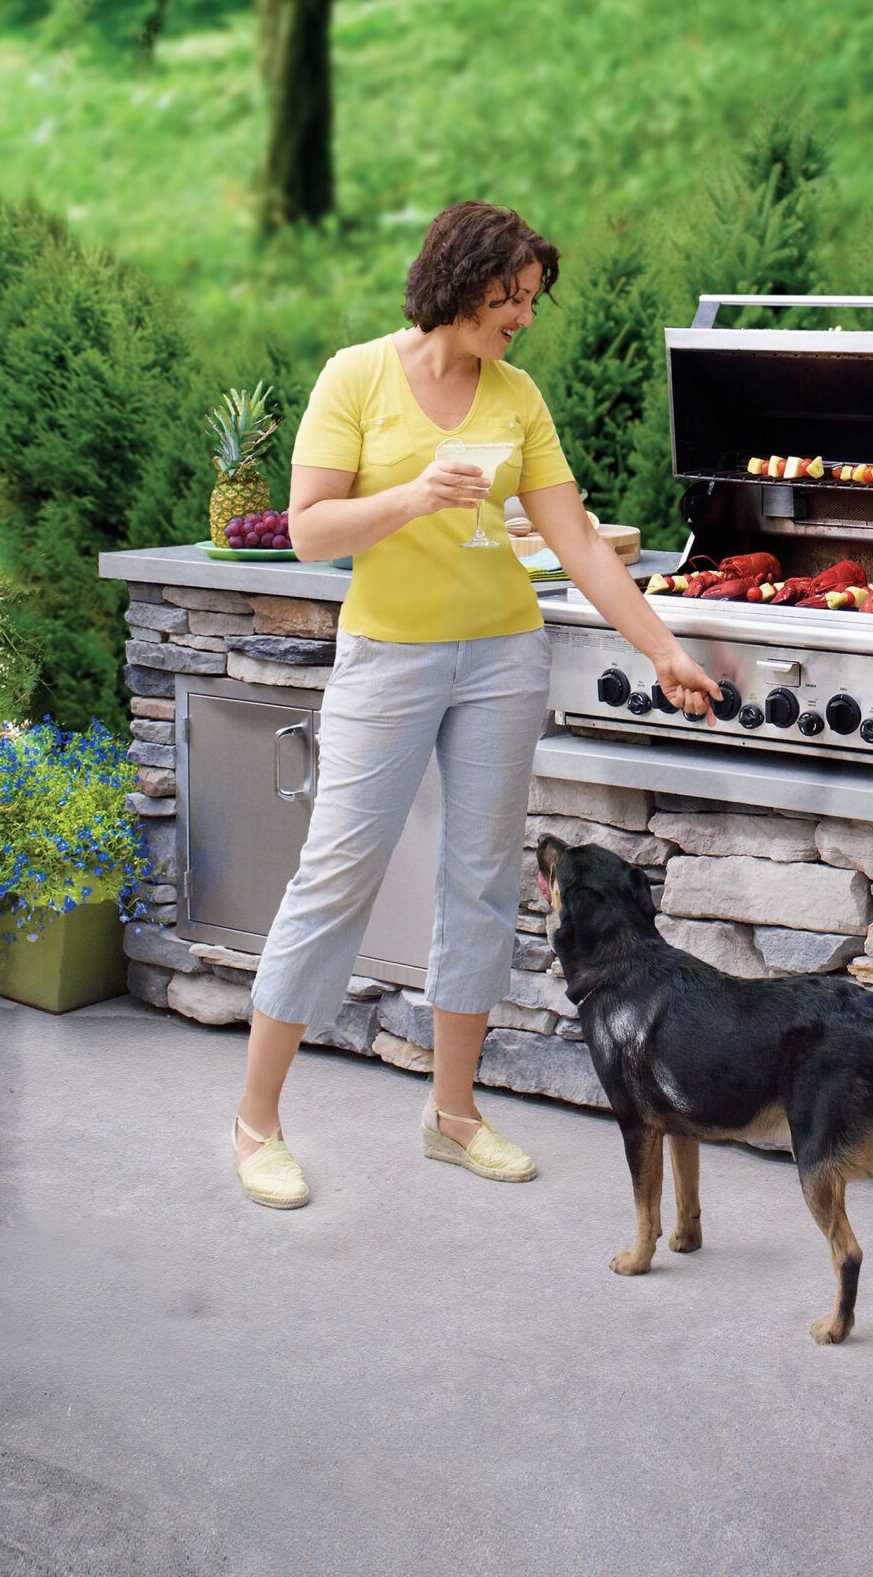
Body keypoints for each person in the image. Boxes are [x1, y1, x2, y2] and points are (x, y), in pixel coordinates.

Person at [230, 200, 719, 1209]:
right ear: (464, 280)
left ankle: (452, 1115)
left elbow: (577, 542)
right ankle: (255, 1122)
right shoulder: (356, 378)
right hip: (389, 656)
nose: (526, 316)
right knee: (336, 874)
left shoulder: (517, 395)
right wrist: (415, 495)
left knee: (485, 881)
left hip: (501, 656)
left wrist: (665, 647)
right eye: (516, 297)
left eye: (534, 300)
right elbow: (311, 530)